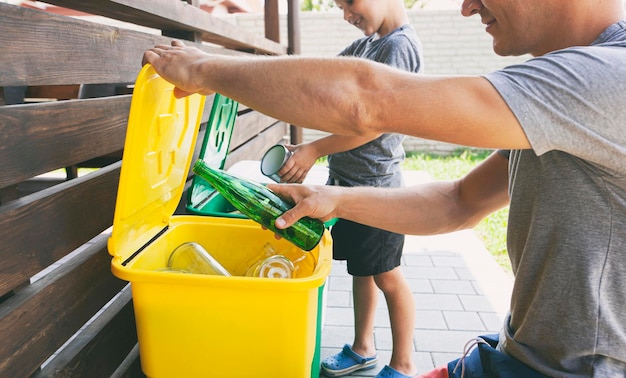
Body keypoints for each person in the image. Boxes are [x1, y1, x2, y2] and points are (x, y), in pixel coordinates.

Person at [142, 0, 626, 376]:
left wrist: (204, 70)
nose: (467, 7)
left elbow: (366, 100)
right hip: (520, 356)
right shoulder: (575, 92)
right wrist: (334, 200)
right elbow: (458, 202)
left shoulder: (609, 78)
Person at [276, 0, 423, 377]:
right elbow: (324, 76)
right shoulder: (368, 45)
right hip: (349, 185)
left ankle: (404, 363)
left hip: (378, 191)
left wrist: (316, 149)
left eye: (349, 2)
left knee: (387, 274)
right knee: (363, 270)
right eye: (339, 6)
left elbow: (372, 124)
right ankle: (363, 347)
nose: (345, 14)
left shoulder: (398, 47)